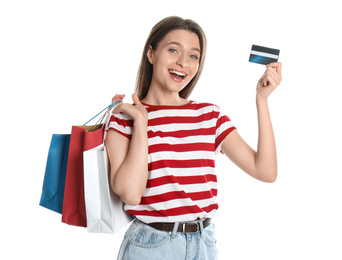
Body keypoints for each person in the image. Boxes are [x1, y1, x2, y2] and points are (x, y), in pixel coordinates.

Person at [105, 16, 282, 260]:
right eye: (173, 50)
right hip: (151, 247)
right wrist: (142, 122)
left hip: (204, 244)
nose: (182, 63)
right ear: (151, 54)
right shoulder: (126, 118)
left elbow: (265, 171)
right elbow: (130, 194)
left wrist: (262, 100)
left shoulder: (210, 115)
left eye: (193, 56)